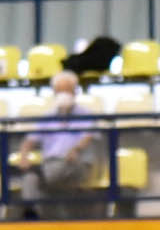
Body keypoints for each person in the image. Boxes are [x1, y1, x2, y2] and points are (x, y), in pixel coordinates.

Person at [17, 72, 102, 215]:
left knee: (54, 170)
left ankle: (42, 175)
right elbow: (30, 140)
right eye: (60, 91)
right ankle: (32, 216)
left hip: (76, 164)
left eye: (67, 91)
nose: (63, 95)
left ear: (75, 92)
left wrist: (76, 149)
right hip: (50, 165)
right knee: (29, 178)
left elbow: (88, 136)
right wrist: (24, 156)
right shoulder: (47, 117)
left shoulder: (85, 115)